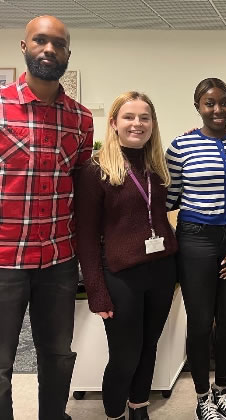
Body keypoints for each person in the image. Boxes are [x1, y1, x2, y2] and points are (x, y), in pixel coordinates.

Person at [0, 15, 93, 420]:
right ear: (24, 47)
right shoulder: (1, 107)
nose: (49, 50)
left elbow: (81, 187)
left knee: (57, 356)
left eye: (58, 44)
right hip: (4, 260)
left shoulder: (81, 119)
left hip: (58, 260)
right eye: (40, 41)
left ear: (68, 53)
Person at [74, 92, 177, 420]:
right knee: (124, 356)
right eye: (129, 117)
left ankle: (139, 408)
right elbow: (86, 237)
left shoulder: (157, 167)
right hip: (121, 276)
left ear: (152, 124)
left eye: (144, 117)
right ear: (114, 123)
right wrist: (96, 291)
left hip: (161, 271)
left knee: (149, 348)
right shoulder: (95, 170)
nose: (137, 123)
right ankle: (115, 413)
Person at [166, 78, 226, 420]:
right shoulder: (180, 146)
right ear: (198, 107)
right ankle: (202, 397)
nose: (218, 109)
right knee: (201, 322)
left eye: (224, 102)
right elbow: (170, 197)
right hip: (196, 240)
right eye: (210, 103)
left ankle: (223, 393)